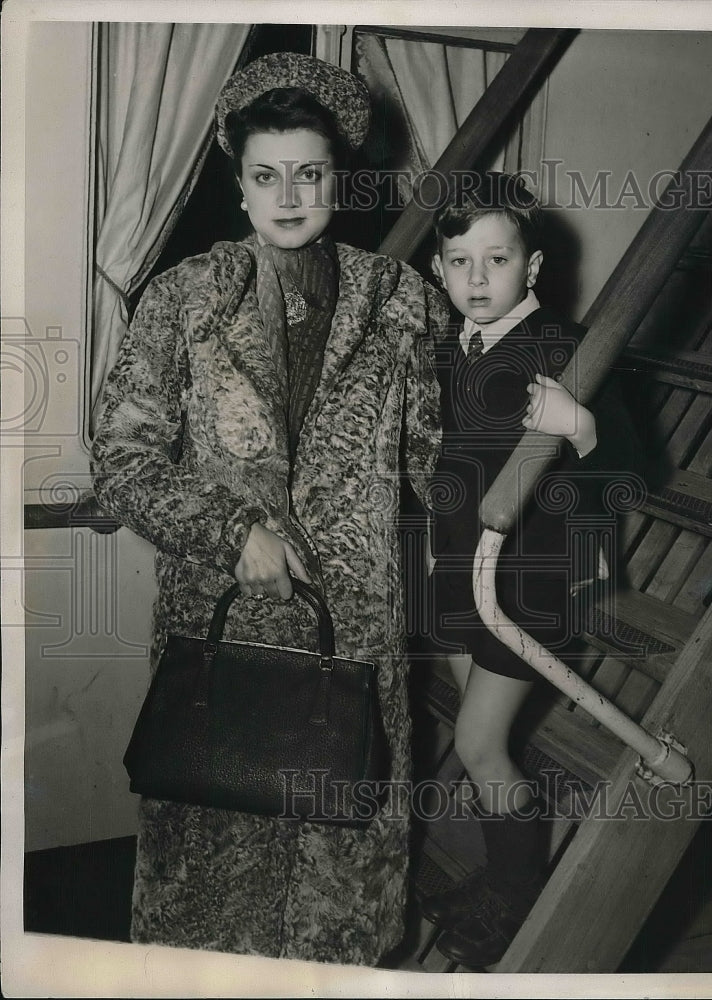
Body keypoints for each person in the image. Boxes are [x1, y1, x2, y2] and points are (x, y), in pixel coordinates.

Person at [90, 52, 447, 966]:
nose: (289, 194)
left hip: (354, 640)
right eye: (266, 174)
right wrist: (226, 529)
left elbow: (437, 457)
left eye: (310, 172)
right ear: (238, 183)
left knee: (342, 895)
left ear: (339, 176)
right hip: (226, 634)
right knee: (209, 897)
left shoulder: (399, 301)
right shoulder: (181, 300)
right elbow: (121, 457)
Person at [420, 172, 642, 967]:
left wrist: (577, 423)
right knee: (478, 742)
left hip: (531, 581)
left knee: (481, 745)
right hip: (456, 573)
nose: (476, 280)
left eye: (496, 259)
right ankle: (498, 878)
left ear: (533, 266)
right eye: (457, 262)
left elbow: (634, 470)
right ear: (440, 268)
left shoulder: (565, 345)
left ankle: (514, 901)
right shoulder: (448, 348)